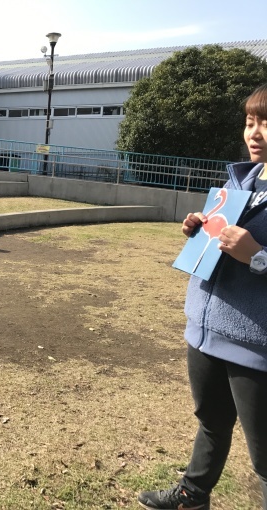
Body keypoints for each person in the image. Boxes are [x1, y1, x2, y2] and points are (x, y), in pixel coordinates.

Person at [138, 84, 267, 510]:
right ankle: (193, 495)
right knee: (212, 421)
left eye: (266, 122)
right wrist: (202, 226)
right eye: (250, 121)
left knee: (264, 458)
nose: (255, 132)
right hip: (208, 328)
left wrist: (258, 257)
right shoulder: (242, 182)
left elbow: (254, 254)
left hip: (257, 347)